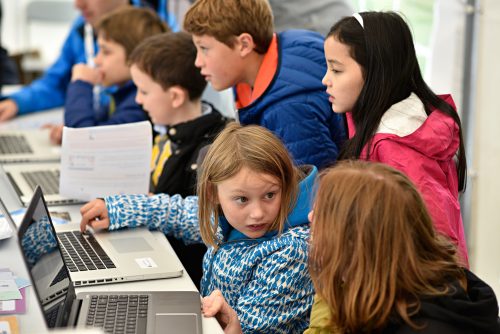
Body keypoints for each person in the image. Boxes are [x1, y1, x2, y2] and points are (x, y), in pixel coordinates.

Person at [79, 123, 316, 333]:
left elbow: (249, 327)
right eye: (242, 199)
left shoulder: (292, 250)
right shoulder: (224, 217)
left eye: (269, 195)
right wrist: (117, 208)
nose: (257, 213)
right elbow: (176, 212)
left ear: (285, 186)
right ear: (214, 194)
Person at [322, 11, 469, 264]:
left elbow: (434, 243)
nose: (326, 80)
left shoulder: (400, 150)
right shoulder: (371, 123)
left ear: (375, 73)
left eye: (336, 69)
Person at [305, 160, 500, 333]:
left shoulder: (425, 324)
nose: (310, 217)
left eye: (323, 214)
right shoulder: (380, 297)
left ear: (357, 242)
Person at [183, 0, 345, 170]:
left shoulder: (288, 110)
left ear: (244, 45)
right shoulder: (286, 44)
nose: (198, 62)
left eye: (204, 49)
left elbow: (313, 186)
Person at [128, 31, 230, 286]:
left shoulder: (212, 149)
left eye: (143, 91)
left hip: (182, 274)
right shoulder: (166, 133)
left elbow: (203, 225)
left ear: (175, 96)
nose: (138, 100)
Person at [0, 0, 176, 122]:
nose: (77, 4)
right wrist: (18, 102)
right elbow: (56, 82)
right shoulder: (82, 26)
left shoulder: (162, 32)